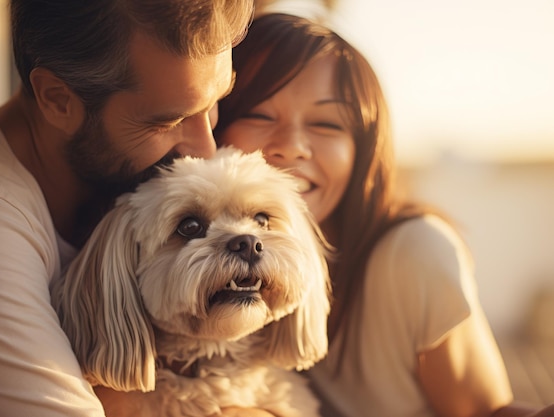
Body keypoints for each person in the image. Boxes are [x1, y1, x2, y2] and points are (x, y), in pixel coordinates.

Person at [214, 13, 554, 417]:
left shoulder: (413, 254)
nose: (292, 146)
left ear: (363, 150)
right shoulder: (188, 257)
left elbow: (484, 412)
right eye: (259, 115)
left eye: (326, 123)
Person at [0, 1, 256, 416]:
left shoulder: (113, 176)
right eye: (166, 122)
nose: (206, 150)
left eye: (212, 105)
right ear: (58, 99)